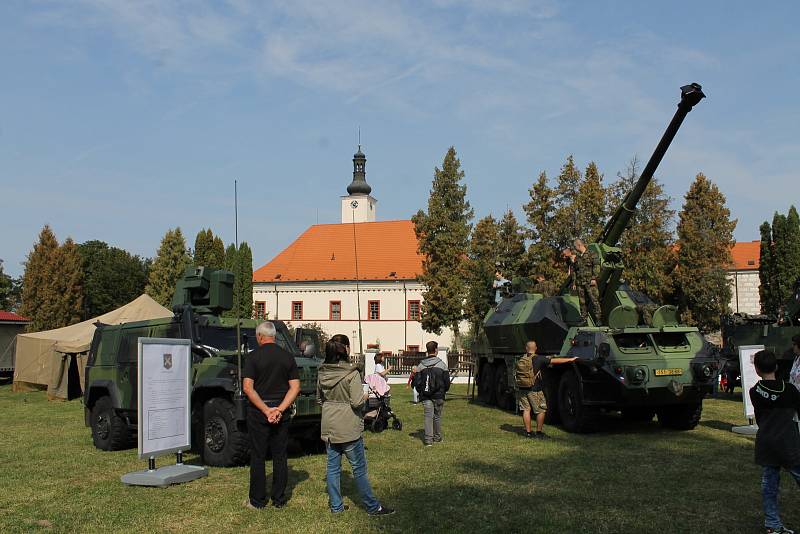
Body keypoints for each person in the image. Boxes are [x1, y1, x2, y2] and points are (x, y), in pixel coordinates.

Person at [317, 334, 394, 516]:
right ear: (346, 349)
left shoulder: (322, 372)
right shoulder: (351, 373)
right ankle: (372, 506)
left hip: (329, 424)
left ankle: (336, 506)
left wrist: (332, 406)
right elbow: (357, 402)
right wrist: (365, 396)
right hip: (349, 425)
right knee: (358, 468)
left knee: (332, 467)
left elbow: (319, 400)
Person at [242, 321, 301, 510]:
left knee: (258, 456)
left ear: (259, 336)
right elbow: (295, 387)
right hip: (280, 414)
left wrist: (266, 410)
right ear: (274, 336)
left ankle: (257, 500)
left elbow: (247, 388)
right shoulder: (287, 357)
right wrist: (280, 409)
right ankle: (279, 499)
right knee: (280, 455)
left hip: (259, 412)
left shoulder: (252, 357)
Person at [749, 349, 800, 534]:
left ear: (756, 369)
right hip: (789, 443)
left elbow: (761, 418)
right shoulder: (790, 390)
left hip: (767, 443)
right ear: (777, 366)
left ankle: (772, 523)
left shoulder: (754, 392)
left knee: (769, 484)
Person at [515, 340, 576, 439]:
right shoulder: (538, 359)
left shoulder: (522, 359)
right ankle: (538, 433)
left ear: (526, 348)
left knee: (526, 410)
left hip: (522, 388)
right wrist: (571, 359)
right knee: (541, 410)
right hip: (534, 389)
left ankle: (528, 433)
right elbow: (556, 361)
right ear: (535, 348)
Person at [414, 340, 450, 446]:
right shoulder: (442, 365)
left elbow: (417, 382)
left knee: (428, 416)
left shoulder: (421, 365)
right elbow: (447, 382)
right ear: (436, 350)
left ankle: (428, 440)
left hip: (425, 395)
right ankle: (437, 437)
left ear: (427, 351)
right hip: (439, 395)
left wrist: (422, 391)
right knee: (437, 416)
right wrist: (443, 391)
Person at [573, 239, 602, 325]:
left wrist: (594, 278)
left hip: (590, 282)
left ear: (579, 245)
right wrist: (574, 282)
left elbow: (596, 267)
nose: (574, 248)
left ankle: (598, 319)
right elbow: (574, 270)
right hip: (580, 283)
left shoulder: (592, 254)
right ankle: (584, 319)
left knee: (594, 300)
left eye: (575, 247)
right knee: (582, 302)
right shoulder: (577, 257)